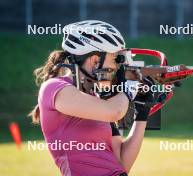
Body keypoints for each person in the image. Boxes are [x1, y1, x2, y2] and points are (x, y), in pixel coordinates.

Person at [29, 20, 155, 176]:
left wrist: (142, 112)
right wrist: (128, 86)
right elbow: (115, 111)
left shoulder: (97, 97)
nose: (117, 67)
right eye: (115, 59)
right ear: (95, 60)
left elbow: (122, 163)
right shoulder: (54, 88)